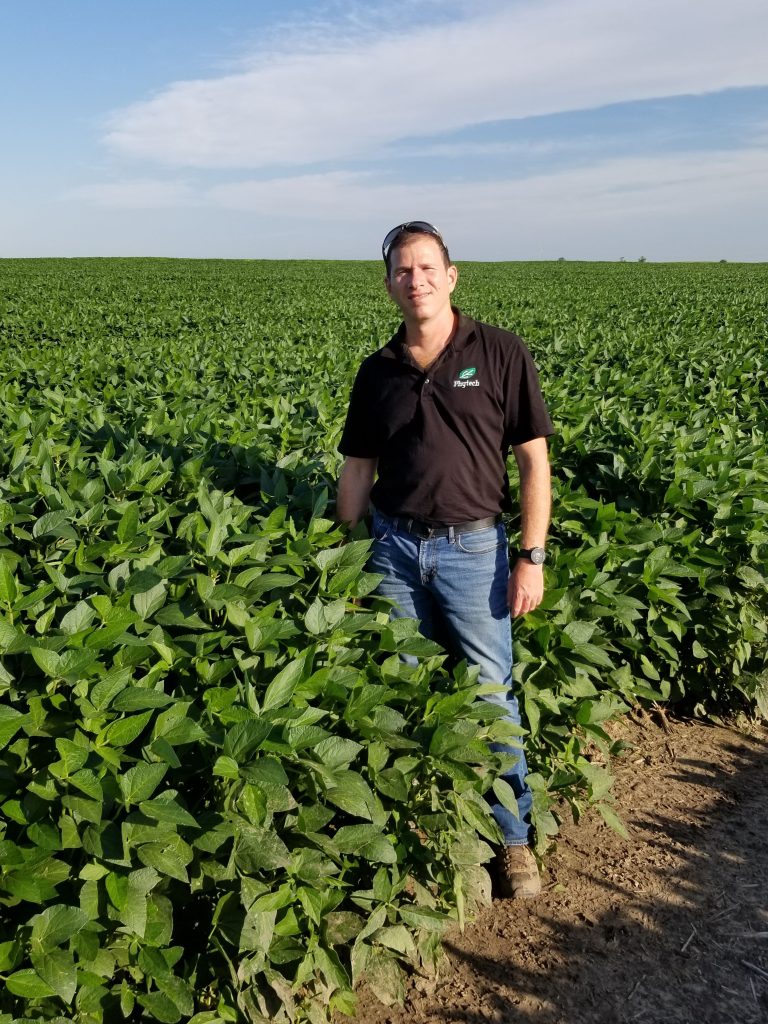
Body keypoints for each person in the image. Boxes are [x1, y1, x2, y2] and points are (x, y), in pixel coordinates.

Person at [336, 221, 553, 899]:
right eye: (403, 271)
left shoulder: (499, 352)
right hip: (394, 548)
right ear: (389, 285)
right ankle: (421, 830)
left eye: (427, 268)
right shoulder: (378, 371)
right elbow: (357, 467)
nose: (416, 280)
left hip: (475, 549)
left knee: (491, 693)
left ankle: (513, 839)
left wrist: (531, 556)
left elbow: (532, 463)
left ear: (452, 275)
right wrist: (344, 552)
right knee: (403, 690)